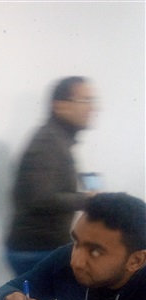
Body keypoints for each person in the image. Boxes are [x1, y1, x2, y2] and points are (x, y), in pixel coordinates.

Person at [0, 192, 146, 300]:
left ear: (136, 261)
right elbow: (11, 288)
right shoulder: (64, 258)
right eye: (77, 242)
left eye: (95, 252)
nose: (76, 261)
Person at [5, 76, 97, 275]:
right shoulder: (48, 142)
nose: (92, 108)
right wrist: (88, 200)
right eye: (85, 100)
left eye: (93, 101)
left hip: (42, 248)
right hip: (37, 251)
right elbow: (40, 198)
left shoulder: (58, 139)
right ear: (60, 105)